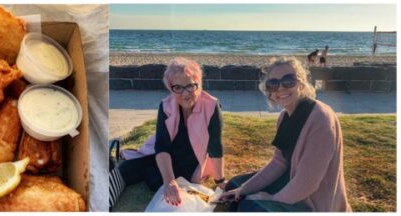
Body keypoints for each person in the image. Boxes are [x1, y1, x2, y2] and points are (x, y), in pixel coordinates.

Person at [217, 57, 350, 212]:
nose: (280, 88)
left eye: (288, 80)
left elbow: (308, 182)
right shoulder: (284, 117)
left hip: (313, 203)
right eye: (273, 84)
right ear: (269, 92)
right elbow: (278, 163)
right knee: (234, 186)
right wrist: (243, 189)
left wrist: (272, 199)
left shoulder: (321, 118)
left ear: (301, 82)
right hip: (291, 181)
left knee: (250, 206)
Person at [109, 57, 225, 209]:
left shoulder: (211, 105)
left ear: (199, 84)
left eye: (190, 86)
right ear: (171, 88)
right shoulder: (165, 105)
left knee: (156, 180)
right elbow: (162, 146)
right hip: (168, 155)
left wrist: (220, 181)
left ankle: (156, 175)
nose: (185, 94)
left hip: (194, 160)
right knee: (127, 168)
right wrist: (170, 181)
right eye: (178, 87)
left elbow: (215, 147)